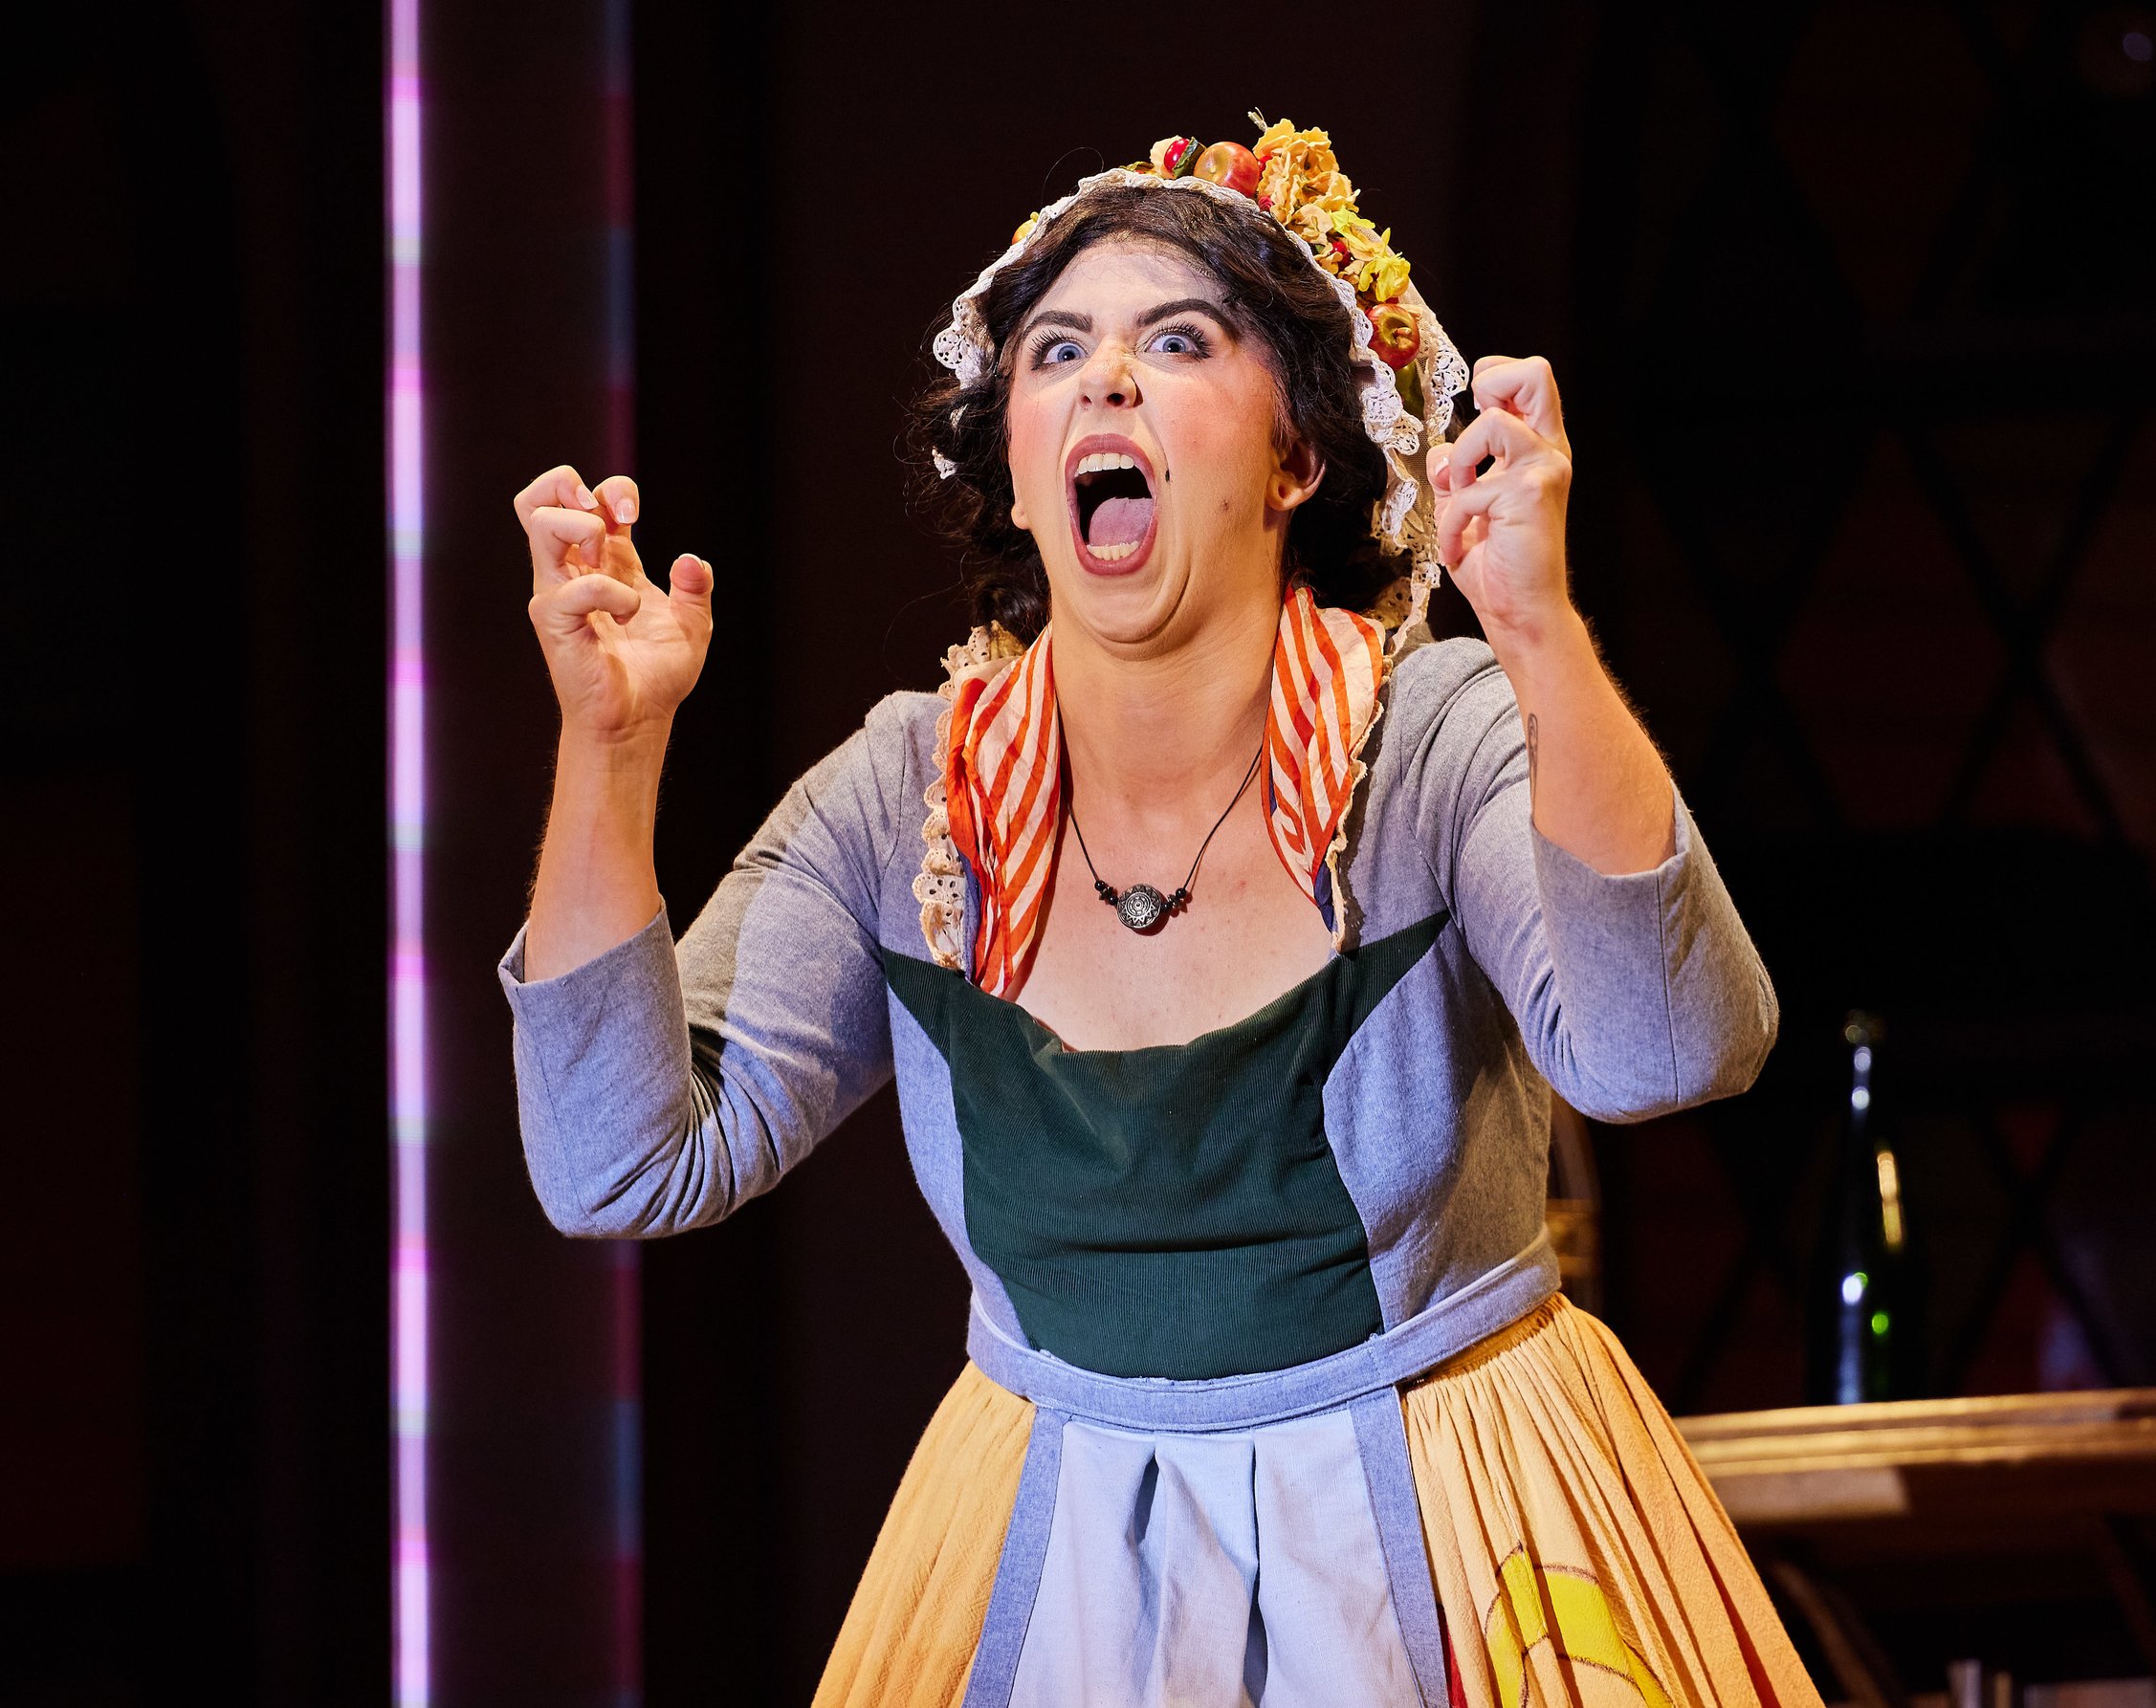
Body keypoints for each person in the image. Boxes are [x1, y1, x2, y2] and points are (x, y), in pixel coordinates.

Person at [501, 117, 1819, 1708]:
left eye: (1178, 341)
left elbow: (1668, 1050)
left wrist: (1538, 632)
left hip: (1448, 1531)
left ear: (1299, 456)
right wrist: (610, 748)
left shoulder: (1433, 739)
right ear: (1015, 466)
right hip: (1054, 1555)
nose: (1105, 380)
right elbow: (619, 1159)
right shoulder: (907, 793)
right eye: (1058, 351)